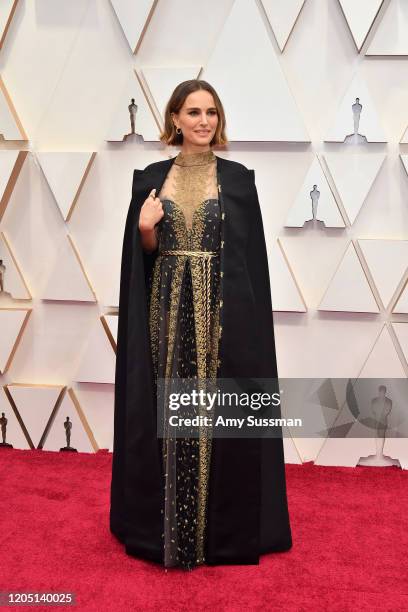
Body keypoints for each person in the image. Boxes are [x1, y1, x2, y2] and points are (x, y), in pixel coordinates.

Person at [110, 79, 292, 571]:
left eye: (211, 112)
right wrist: (145, 229)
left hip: (223, 314)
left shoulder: (237, 180)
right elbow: (142, 260)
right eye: (193, 112)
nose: (204, 121)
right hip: (166, 310)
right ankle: (167, 522)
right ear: (175, 120)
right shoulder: (149, 177)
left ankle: (221, 530)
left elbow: (251, 264)